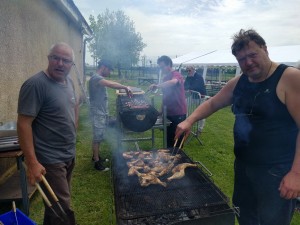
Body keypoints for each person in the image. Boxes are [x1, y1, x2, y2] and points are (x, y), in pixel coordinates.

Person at [175, 29, 300, 225]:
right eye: (242, 59)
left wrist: (296, 174)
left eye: (252, 55)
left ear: (265, 49)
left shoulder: (289, 77)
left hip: (276, 172)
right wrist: (189, 120)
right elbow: (213, 103)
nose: (248, 62)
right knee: (245, 217)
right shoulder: (240, 81)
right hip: (244, 167)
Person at [17, 42, 78, 225]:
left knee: (54, 206)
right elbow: (23, 124)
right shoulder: (35, 85)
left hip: (68, 154)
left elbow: (73, 107)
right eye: (55, 58)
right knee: (61, 208)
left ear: (71, 65)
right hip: (50, 160)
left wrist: (73, 130)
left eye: (66, 61)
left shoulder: (69, 82)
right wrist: (32, 162)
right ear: (49, 59)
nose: (60, 63)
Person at [89, 59, 132, 171]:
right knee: (97, 137)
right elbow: (110, 84)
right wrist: (124, 87)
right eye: (109, 70)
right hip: (97, 113)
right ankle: (97, 162)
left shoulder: (97, 78)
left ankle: (96, 156)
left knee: (100, 136)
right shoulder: (96, 78)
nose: (109, 73)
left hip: (101, 112)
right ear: (103, 67)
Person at [149, 55, 187, 148]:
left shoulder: (176, 74)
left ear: (169, 64)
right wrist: (160, 111)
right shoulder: (165, 79)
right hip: (168, 112)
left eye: (162, 67)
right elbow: (165, 97)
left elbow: (173, 82)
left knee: (177, 141)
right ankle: (168, 158)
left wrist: (157, 86)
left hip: (178, 113)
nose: (161, 69)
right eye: (160, 67)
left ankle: (177, 159)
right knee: (168, 139)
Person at [184, 66, 207, 132]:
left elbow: (197, 86)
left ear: (193, 69)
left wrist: (189, 88)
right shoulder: (188, 76)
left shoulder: (199, 76)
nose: (188, 72)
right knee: (185, 106)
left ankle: (200, 129)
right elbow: (185, 85)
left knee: (202, 113)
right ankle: (187, 123)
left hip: (200, 97)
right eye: (187, 71)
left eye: (189, 70)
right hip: (193, 96)